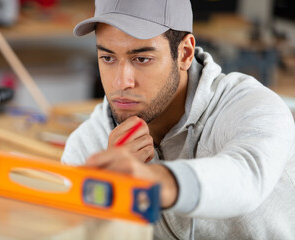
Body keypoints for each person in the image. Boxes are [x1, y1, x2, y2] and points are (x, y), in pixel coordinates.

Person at [61, 0, 295, 239]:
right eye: (108, 58)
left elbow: (246, 177)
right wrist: (111, 201)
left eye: (142, 59)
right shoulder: (90, 143)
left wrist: (155, 181)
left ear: (185, 53)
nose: (121, 82)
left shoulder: (252, 106)